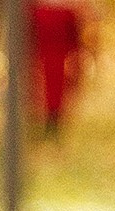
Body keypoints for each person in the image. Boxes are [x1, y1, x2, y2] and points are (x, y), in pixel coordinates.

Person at [29, 0, 84, 135]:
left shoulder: (67, 10)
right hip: (39, 58)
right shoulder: (34, 8)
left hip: (59, 59)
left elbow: (73, 38)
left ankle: (52, 125)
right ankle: (40, 125)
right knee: (41, 90)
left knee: (55, 91)